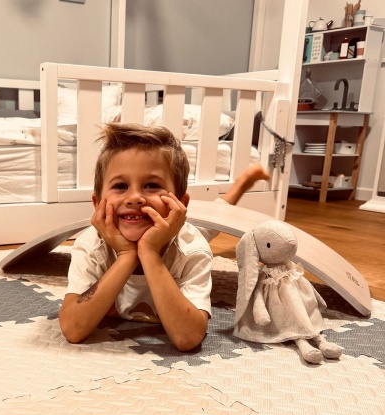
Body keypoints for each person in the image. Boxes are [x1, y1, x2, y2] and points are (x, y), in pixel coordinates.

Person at [59, 122, 269, 350]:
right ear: (98, 203)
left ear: (180, 203)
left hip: (172, 233)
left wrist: (149, 252)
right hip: (151, 230)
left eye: (151, 185)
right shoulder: (91, 245)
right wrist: (127, 255)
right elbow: (73, 329)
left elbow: (188, 337)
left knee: (213, 222)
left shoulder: (191, 248)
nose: (134, 197)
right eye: (120, 186)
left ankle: (241, 184)